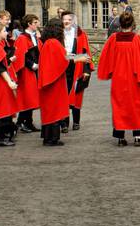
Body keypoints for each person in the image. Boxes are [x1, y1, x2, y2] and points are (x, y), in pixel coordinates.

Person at [98, 11, 140, 146]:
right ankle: (138, 136)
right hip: (134, 79)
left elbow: (106, 58)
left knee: (119, 106)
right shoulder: (139, 40)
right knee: (136, 106)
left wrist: (108, 73)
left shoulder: (113, 39)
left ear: (119, 24)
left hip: (118, 79)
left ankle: (120, 137)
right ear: (133, 24)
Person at [36, 18, 71, 147]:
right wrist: (79, 57)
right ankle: (52, 138)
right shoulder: (54, 43)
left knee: (49, 110)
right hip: (54, 82)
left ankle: (47, 137)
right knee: (55, 110)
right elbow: (64, 60)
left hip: (49, 81)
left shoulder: (47, 43)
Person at [60, 10, 91, 132]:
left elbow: (86, 53)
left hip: (77, 68)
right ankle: (64, 123)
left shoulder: (80, 34)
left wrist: (86, 70)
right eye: (64, 19)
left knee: (77, 94)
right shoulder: (58, 34)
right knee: (63, 94)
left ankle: (76, 121)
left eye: (69, 19)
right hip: (63, 67)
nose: (66, 21)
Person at [12, 14, 41, 133]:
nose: (38, 24)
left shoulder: (35, 36)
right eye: (35, 22)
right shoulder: (23, 38)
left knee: (32, 97)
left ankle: (27, 122)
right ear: (29, 24)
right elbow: (21, 55)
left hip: (34, 70)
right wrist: (31, 65)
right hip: (26, 71)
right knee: (28, 97)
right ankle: (23, 122)